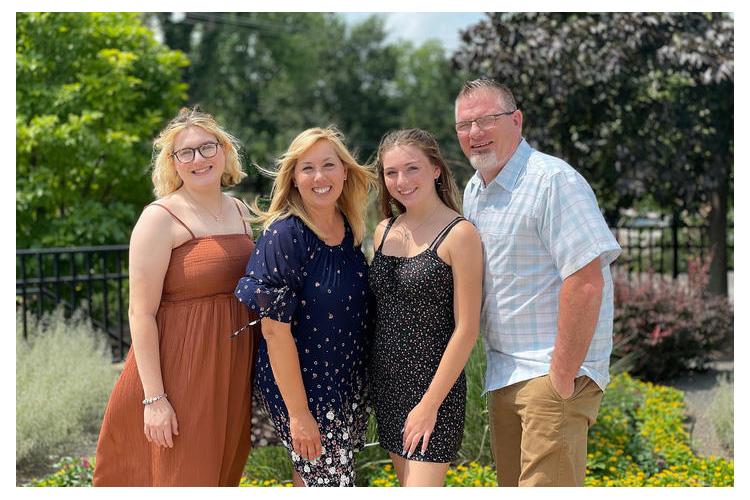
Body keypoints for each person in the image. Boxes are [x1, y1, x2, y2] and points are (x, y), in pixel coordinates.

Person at [454, 78, 622, 487]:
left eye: (486, 120)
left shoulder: (552, 181)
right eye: (464, 125)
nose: (474, 134)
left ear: (516, 120)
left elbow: (586, 280)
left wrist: (560, 377)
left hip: (550, 375)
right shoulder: (476, 189)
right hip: (504, 373)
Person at [93, 107, 258, 486]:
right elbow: (141, 313)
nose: (199, 159)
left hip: (230, 369)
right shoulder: (160, 218)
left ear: (225, 151)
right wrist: (154, 400)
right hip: (179, 371)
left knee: (221, 476)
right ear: (173, 162)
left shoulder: (240, 211)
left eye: (207, 147)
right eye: (186, 152)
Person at [234, 127, 375, 487]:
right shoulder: (285, 236)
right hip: (306, 391)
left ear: (345, 171)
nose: (319, 177)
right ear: (294, 178)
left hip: (344, 384)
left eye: (329, 165)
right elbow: (273, 331)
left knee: (320, 482)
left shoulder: (349, 228)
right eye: (307, 168)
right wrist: (299, 415)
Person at [368, 128, 483, 486]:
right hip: (386, 387)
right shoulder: (383, 230)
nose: (401, 181)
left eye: (412, 168)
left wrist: (429, 405)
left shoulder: (460, 234)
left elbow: (467, 329)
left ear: (435, 169)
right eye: (391, 173)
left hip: (434, 391)